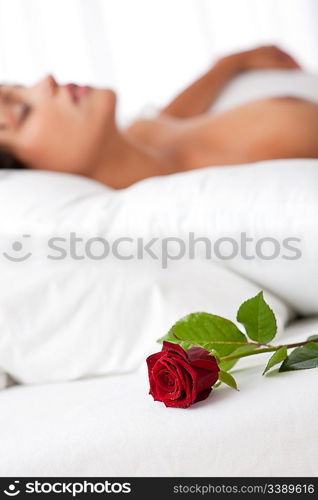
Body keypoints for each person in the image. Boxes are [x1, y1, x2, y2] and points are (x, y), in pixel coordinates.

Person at [0, 45, 318, 189]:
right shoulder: (207, 196)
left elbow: (172, 114)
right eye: (23, 111)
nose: (45, 81)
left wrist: (232, 63)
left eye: (19, 88)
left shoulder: (143, 135)